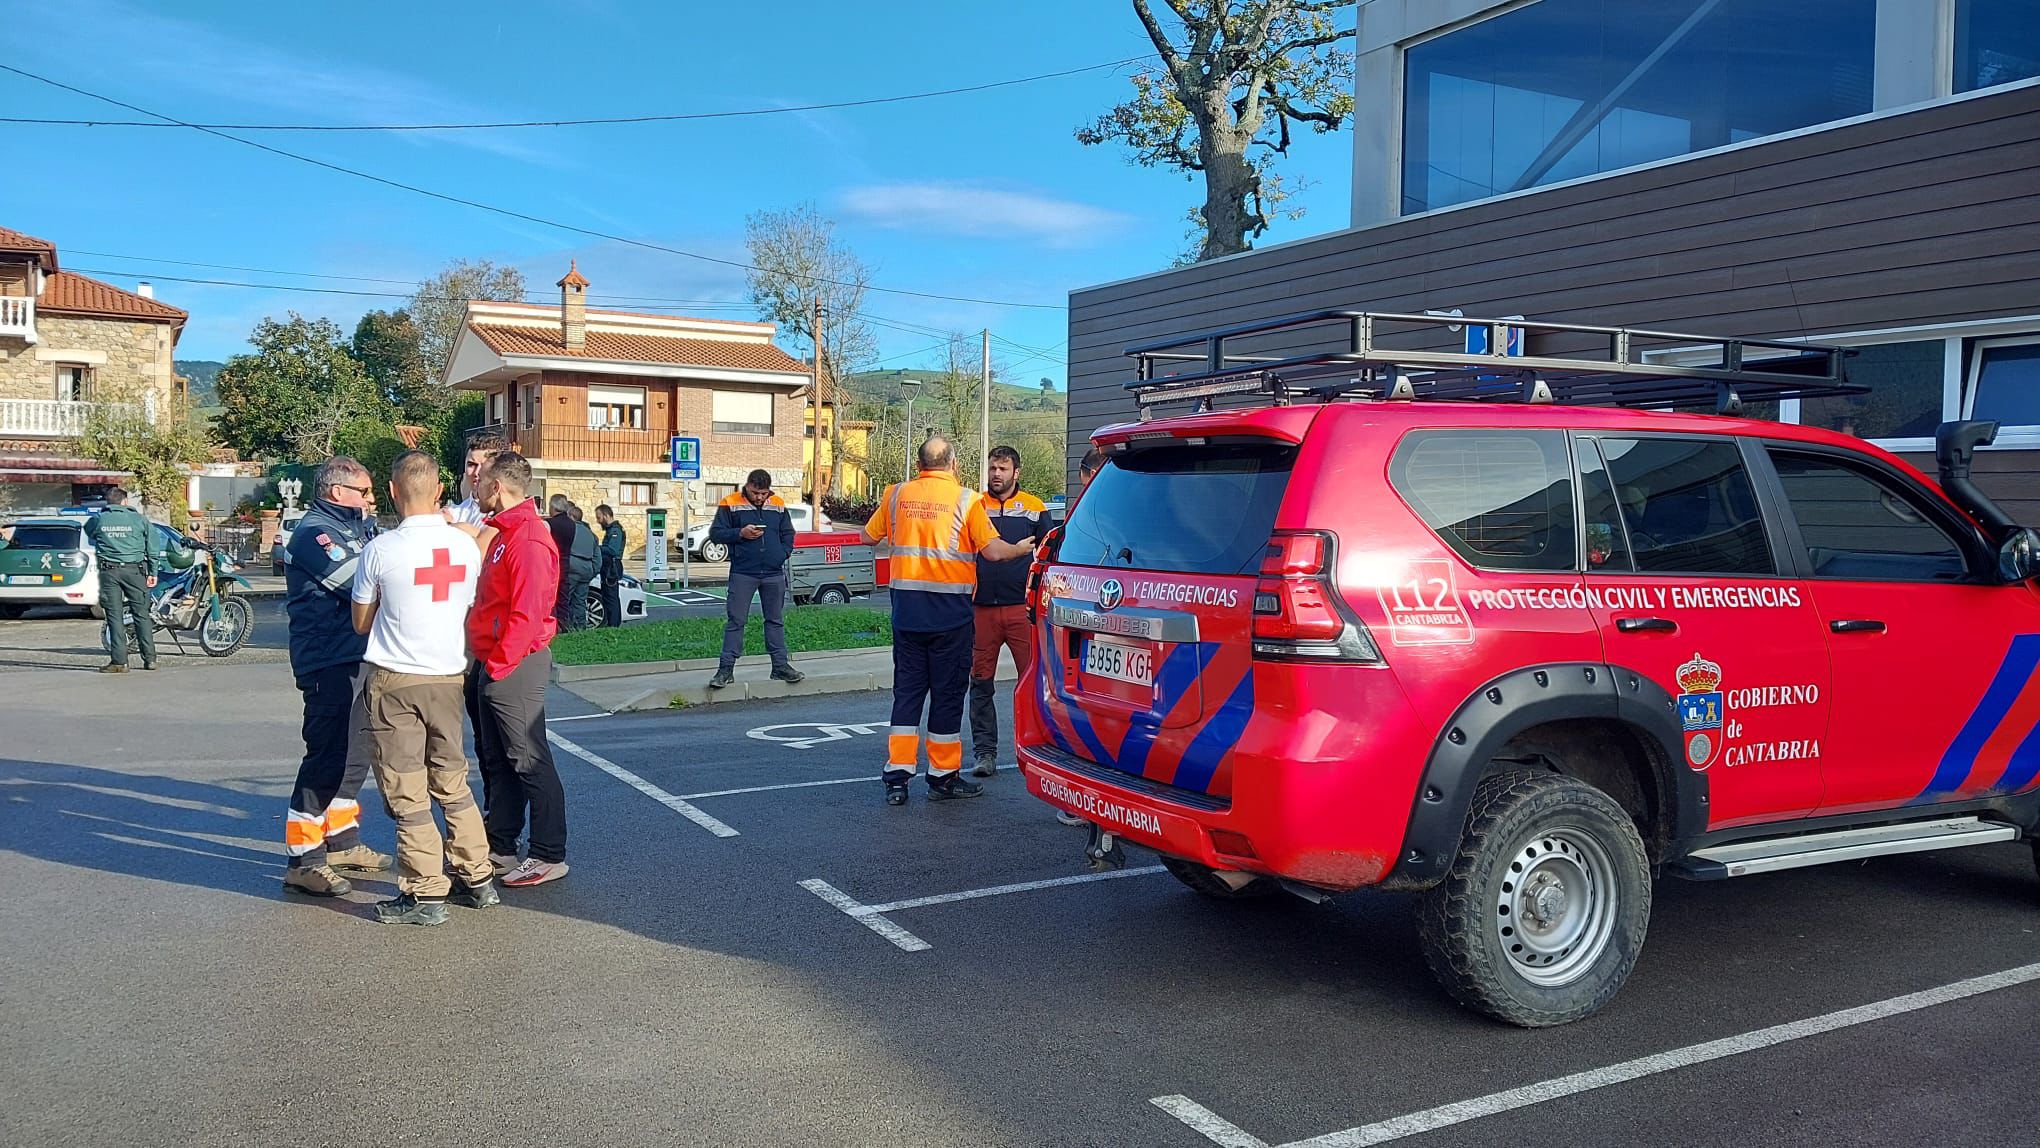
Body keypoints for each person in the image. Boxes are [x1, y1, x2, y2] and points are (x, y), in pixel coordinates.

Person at [349, 450, 496, 926]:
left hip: (394, 682)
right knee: (453, 781)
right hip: (449, 679)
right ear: (438, 491)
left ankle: (425, 892)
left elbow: (360, 622)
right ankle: (478, 878)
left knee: (407, 789)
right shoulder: (464, 548)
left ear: (393, 491)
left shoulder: (380, 550)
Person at [864, 436, 1037, 805]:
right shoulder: (966, 500)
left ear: (920, 464)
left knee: (907, 696)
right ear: (953, 464)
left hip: (907, 613)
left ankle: (897, 778)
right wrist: (1021, 549)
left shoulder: (896, 495)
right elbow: (993, 551)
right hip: (950, 616)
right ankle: (942, 778)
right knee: (946, 696)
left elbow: (868, 536)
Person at [279, 456, 393, 896]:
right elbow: (358, 581)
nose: (370, 499)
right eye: (363, 492)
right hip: (327, 660)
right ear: (336, 492)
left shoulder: (357, 527)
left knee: (356, 752)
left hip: (358, 654)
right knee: (326, 756)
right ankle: (303, 859)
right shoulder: (314, 534)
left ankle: (341, 841)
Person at [465, 452, 570, 887]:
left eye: (480, 478)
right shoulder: (504, 533)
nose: (474, 483)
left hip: (515, 663)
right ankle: (502, 846)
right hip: (494, 659)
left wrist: (500, 668)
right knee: (499, 760)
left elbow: (527, 613)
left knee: (528, 758)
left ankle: (548, 853)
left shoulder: (526, 538)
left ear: (498, 486)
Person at [968, 446, 1051, 777]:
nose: (996, 474)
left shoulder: (1034, 508)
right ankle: (984, 753)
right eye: (992, 468)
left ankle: (1032, 749)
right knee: (979, 683)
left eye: (1002, 468)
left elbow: (1049, 557)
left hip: (1021, 609)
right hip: (981, 609)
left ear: (1016, 472)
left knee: (1030, 682)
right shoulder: (975, 505)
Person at [1051, 446, 1109, 826]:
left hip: (1091, 625)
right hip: (1096, 625)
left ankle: (1089, 803)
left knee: (1092, 714)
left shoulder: (1091, 512)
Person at [707, 469, 804, 689]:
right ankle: (725, 670)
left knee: (775, 620)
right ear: (747, 486)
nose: (759, 497)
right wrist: (740, 533)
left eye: (763, 493)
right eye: (755, 492)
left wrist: (783, 552)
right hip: (743, 572)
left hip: (773, 572)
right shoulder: (730, 502)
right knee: (736, 620)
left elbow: (787, 532)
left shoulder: (778, 503)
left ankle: (780, 666)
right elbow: (716, 534)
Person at [84, 487, 157, 674]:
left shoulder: (99, 519)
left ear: (107, 502)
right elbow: (153, 547)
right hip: (136, 571)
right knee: (141, 614)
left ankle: (119, 661)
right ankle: (150, 659)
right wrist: (153, 571)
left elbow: (90, 533)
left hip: (110, 572)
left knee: (115, 616)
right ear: (125, 501)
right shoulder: (139, 519)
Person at [447, 435, 507, 526]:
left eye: (484, 466)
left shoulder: (508, 515)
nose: (477, 473)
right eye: (471, 465)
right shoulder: (453, 513)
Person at [595, 504, 626, 628]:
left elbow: (612, 550)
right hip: (609, 566)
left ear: (606, 515)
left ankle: (613, 625)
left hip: (611, 567)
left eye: (599, 517)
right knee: (608, 596)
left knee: (611, 596)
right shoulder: (611, 529)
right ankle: (612, 623)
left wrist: (597, 548)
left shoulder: (615, 530)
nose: (598, 521)